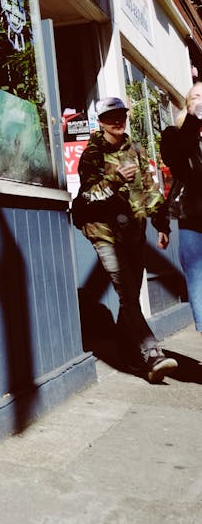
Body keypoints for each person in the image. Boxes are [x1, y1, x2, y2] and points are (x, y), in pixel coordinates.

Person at [76, 96, 177, 383]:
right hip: (104, 233)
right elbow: (88, 195)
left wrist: (161, 222)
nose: (117, 121)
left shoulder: (136, 149)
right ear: (101, 122)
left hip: (134, 231)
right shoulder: (92, 153)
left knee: (129, 296)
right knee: (127, 294)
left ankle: (127, 353)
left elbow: (150, 188)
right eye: (111, 117)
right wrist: (116, 179)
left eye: (121, 115)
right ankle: (152, 352)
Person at [157, 82, 202, 334]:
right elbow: (176, 162)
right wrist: (195, 122)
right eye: (195, 97)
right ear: (187, 105)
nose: (200, 101)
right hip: (194, 221)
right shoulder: (175, 135)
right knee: (199, 284)